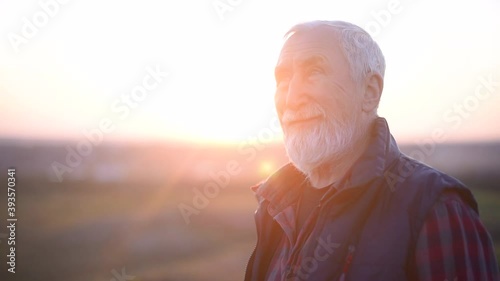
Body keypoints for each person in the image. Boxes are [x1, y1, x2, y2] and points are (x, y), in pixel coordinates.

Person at [244, 20, 499, 281]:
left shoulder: (436, 209)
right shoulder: (275, 205)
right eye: (283, 79)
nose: (291, 98)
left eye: (314, 72)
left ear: (369, 92)